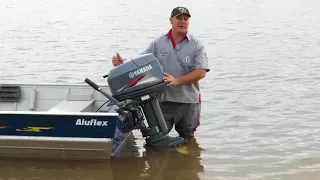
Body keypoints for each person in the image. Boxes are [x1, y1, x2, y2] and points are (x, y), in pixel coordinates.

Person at [111, 7, 210, 140]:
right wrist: (123, 62)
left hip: (189, 102)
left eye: (185, 19)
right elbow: (141, 62)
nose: (182, 22)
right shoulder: (158, 43)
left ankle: (188, 160)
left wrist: (177, 81)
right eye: (179, 18)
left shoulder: (197, 45)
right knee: (156, 139)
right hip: (163, 101)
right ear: (171, 20)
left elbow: (201, 72)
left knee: (188, 139)